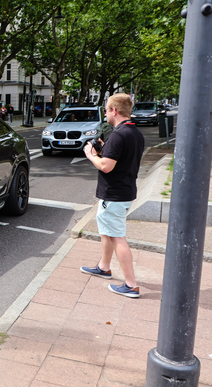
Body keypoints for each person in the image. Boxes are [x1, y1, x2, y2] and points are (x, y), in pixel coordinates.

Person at [80, 93, 144, 298]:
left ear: (114, 111)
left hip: (114, 195)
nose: (105, 113)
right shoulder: (134, 133)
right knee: (107, 232)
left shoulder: (118, 135)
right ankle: (103, 267)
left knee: (118, 237)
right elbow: (119, 159)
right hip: (123, 191)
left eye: (107, 110)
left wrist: (92, 156)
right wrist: (102, 149)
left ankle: (131, 284)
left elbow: (106, 166)